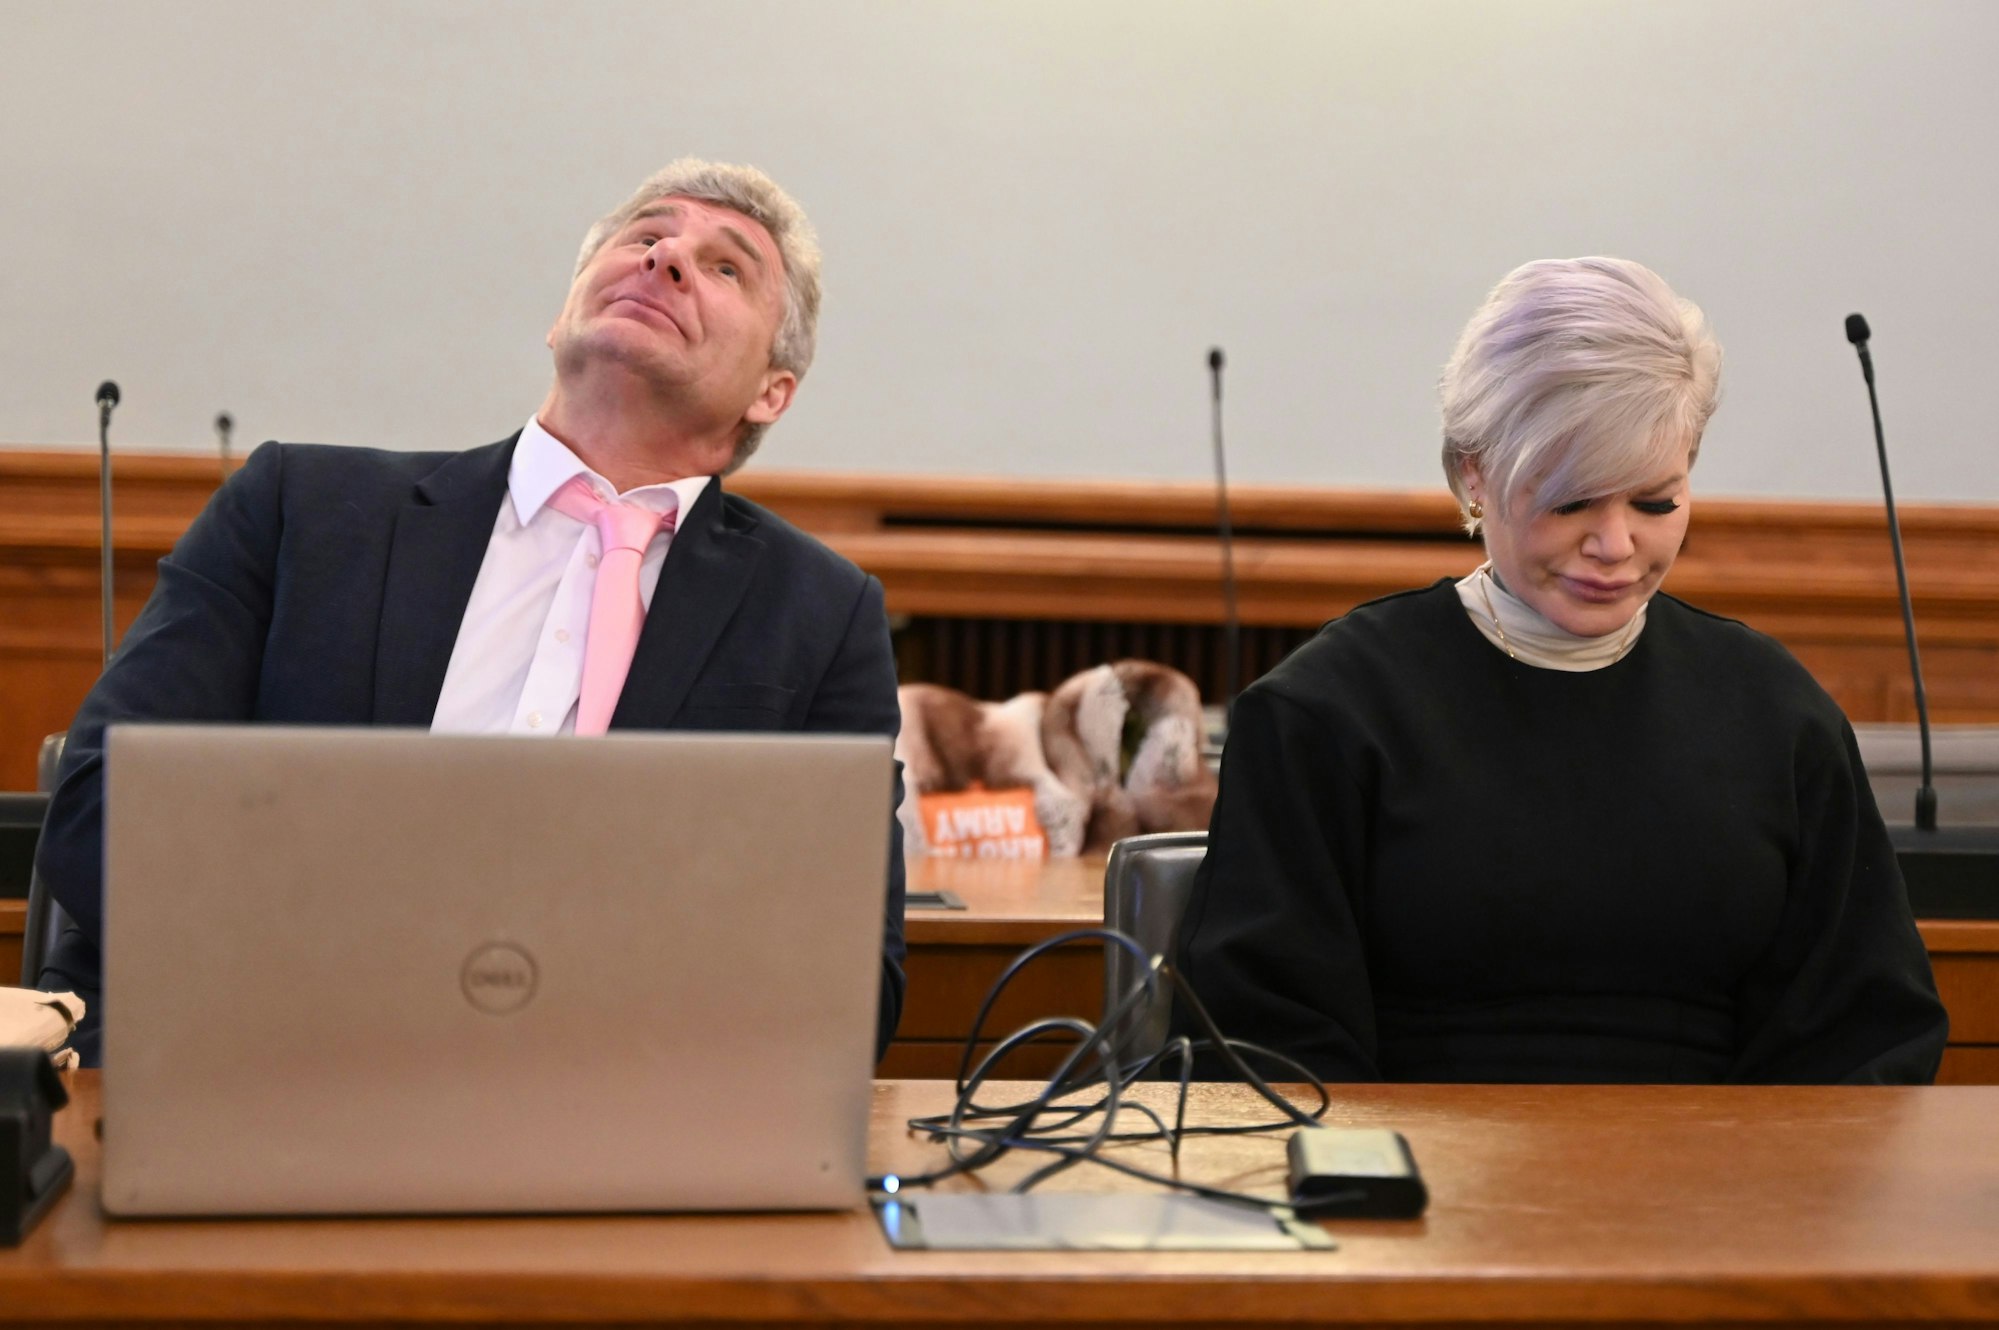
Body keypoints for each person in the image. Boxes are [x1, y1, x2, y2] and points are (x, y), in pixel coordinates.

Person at [35, 159, 907, 1066]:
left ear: (773, 390)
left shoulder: (821, 615)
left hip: (605, 1102)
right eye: (644, 236)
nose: (666, 260)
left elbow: (852, 980)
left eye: (726, 267)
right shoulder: (300, 507)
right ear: (562, 314)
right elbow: (105, 808)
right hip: (250, 1061)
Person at [1176, 257, 1948, 1085]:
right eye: (1570, 500)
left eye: (1655, 501)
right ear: (1471, 476)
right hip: (1414, 1194)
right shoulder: (1324, 713)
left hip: (1722, 1195)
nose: (1615, 546)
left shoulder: (1774, 713)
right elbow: (1263, 1049)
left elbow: (1865, 1037)